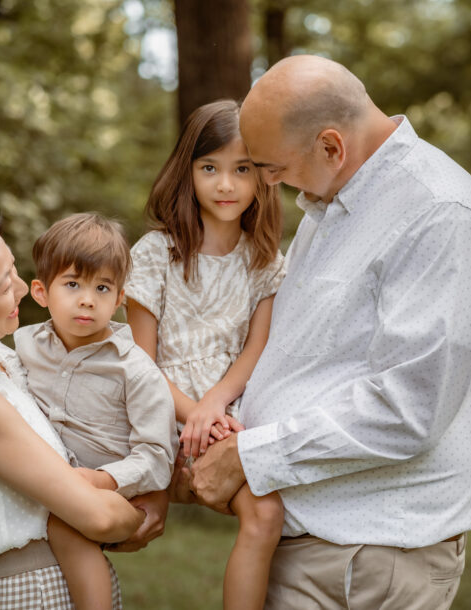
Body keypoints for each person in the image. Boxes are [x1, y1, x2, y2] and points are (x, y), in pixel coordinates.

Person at [188, 55, 471, 609]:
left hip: (366, 558)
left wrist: (252, 456)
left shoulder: (438, 214)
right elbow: (308, 361)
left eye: (270, 166)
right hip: (315, 543)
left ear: (331, 146)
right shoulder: (330, 208)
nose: (265, 182)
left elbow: (410, 407)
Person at [125, 99, 286, 610]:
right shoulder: (157, 252)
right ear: (187, 171)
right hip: (158, 412)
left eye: (242, 170)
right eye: (210, 168)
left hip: (226, 418)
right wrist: (194, 412)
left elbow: (256, 347)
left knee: (266, 515)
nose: (225, 185)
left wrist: (214, 406)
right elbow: (140, 362)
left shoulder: (264, 259)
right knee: (104, 517)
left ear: (262, 176)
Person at [0, 216, 144, 609]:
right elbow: (96, 517)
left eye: (13, 268)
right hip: (26, 591)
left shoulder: (5, 360)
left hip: (62, 578)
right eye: (1, 285)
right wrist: (136, 514)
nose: (20, 288)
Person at [13, 213, 178, 609]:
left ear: (120, 298)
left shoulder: (135, 370)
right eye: (73, 284)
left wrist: (102, 479)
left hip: (102, 491)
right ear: (41, 292)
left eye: (102, 287)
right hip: (42, 476)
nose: (88, 298)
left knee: (64, 523)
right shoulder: (23, 347)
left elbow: (157, 457)